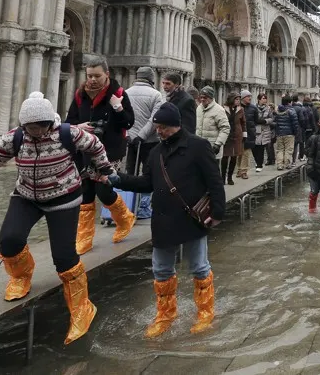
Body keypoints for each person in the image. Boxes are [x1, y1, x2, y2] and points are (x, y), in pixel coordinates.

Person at [0, 92, 113, 345]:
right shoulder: (15, 138)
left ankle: (82, 308)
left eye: (40, 127)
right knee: (9, 241)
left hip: (64, 197)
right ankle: (20, 276)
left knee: (64, 258)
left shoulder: (68, 133)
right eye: (30, 127)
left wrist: (105, 169)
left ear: (50, 122)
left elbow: (95, 145)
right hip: (27, 195)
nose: (35, 132)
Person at [108, 103, 227, 337]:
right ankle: (165, 315)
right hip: (163, 220)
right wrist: (117, 179)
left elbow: (215, 181)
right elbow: (147, 183)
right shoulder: (155, 153)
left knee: (199, 267)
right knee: (161, 270)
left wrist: (218, 213)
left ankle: (205, 312)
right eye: (157, 127)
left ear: (175, 125)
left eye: (162, 127)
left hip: (191, 217)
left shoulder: (198, 146)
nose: (158, 132)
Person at [66, 56, 136, 255]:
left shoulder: (119, 93)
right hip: (85, 149)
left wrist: (118, 107)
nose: (92, 80)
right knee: (86, 192)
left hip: (110, 149)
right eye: (89, 76)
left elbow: (128, 123)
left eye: (97, 76)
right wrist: (77, 126)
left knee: (104, 191)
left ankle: (125, 219)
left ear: (107, 74)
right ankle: (84, 237)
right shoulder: (80, 95)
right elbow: (69, 120)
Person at [126, 66, 164, 220]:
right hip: (149, 142)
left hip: (130, 141)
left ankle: (129, 206)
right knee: (149, 174)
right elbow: (154, 120)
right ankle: (143, 207)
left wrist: (130, 135)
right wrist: (141, 136)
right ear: (151, 78)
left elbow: (123, 117)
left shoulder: (126, 93)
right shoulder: (156, 95)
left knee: (130, 173)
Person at [195, 85, 230, 155]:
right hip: (199, 147)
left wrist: (218, 144)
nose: (202, 99)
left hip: (212, 148)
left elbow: (225, 128)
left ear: (211, 98)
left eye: (205, 97)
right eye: (201, 97)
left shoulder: (219, 110)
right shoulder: (199, 108)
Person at [221, 94, 245, 185]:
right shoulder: (223, 109)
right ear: (231, 99)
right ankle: (223, 177)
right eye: (236, 99)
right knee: (225, 157)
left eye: (239, 99)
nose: (238, 101)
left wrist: (244, 134)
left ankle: (230, 177)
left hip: (237, 135)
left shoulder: (240, 110)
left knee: (234, 156)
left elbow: (243, 123)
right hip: (227, 134)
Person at [238, 91, 261, 179]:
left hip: (249, 132)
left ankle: (244, 171)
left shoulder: (253, 108)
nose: (250, 98)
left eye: (250, 97)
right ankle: (240, 169)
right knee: (239, 152)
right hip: (239, 132)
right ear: (243, 98)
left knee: (246, 152)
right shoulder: (238, 107)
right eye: (248, 97)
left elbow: (256, 120)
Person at [253, 93, 275, 172]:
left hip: (265, 130)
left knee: (261, 148)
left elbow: (271, 118)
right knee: (255, 147)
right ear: (259, 99)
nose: (264, 100)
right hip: (256, 129)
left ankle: (259, 164)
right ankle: (257, 161)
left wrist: (265, 121)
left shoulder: (268, 109)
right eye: (263, 98)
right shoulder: (254, 108)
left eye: (265, 98)